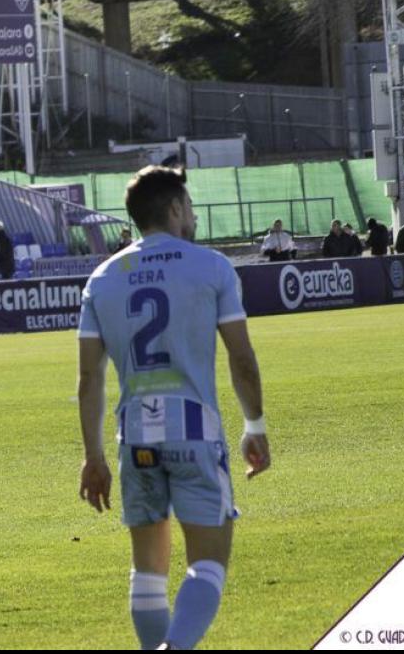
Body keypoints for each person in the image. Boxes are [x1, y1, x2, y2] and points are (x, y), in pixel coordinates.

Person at [77, 165, 269, 650]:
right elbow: (241, 359)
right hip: (193, 429)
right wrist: (255, 425)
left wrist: (93, 456)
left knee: (147, 570)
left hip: (134, 433)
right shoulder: (211, 266)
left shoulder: (102, 278)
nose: (194, 215)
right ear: (177, 208)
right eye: (191, 205)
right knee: (208, 562)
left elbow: (88, 378)